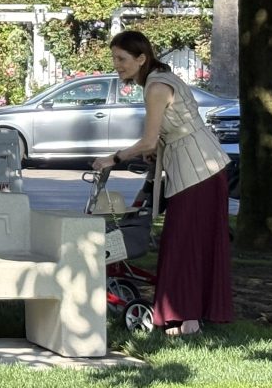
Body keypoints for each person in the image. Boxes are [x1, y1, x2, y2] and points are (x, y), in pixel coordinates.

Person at [92, 30, 232, 337]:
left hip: (197, 171)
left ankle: (188, 318)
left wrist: (113, 159)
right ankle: (191, 314)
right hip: (200, 166)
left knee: (186, 242)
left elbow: (148, 140)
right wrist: (154, 151)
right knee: (191, 241)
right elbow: (165, 134)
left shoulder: (156, 87)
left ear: (141, 58)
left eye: (122, 59)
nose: (117, 65)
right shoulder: (159, 79)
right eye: (114, 58)